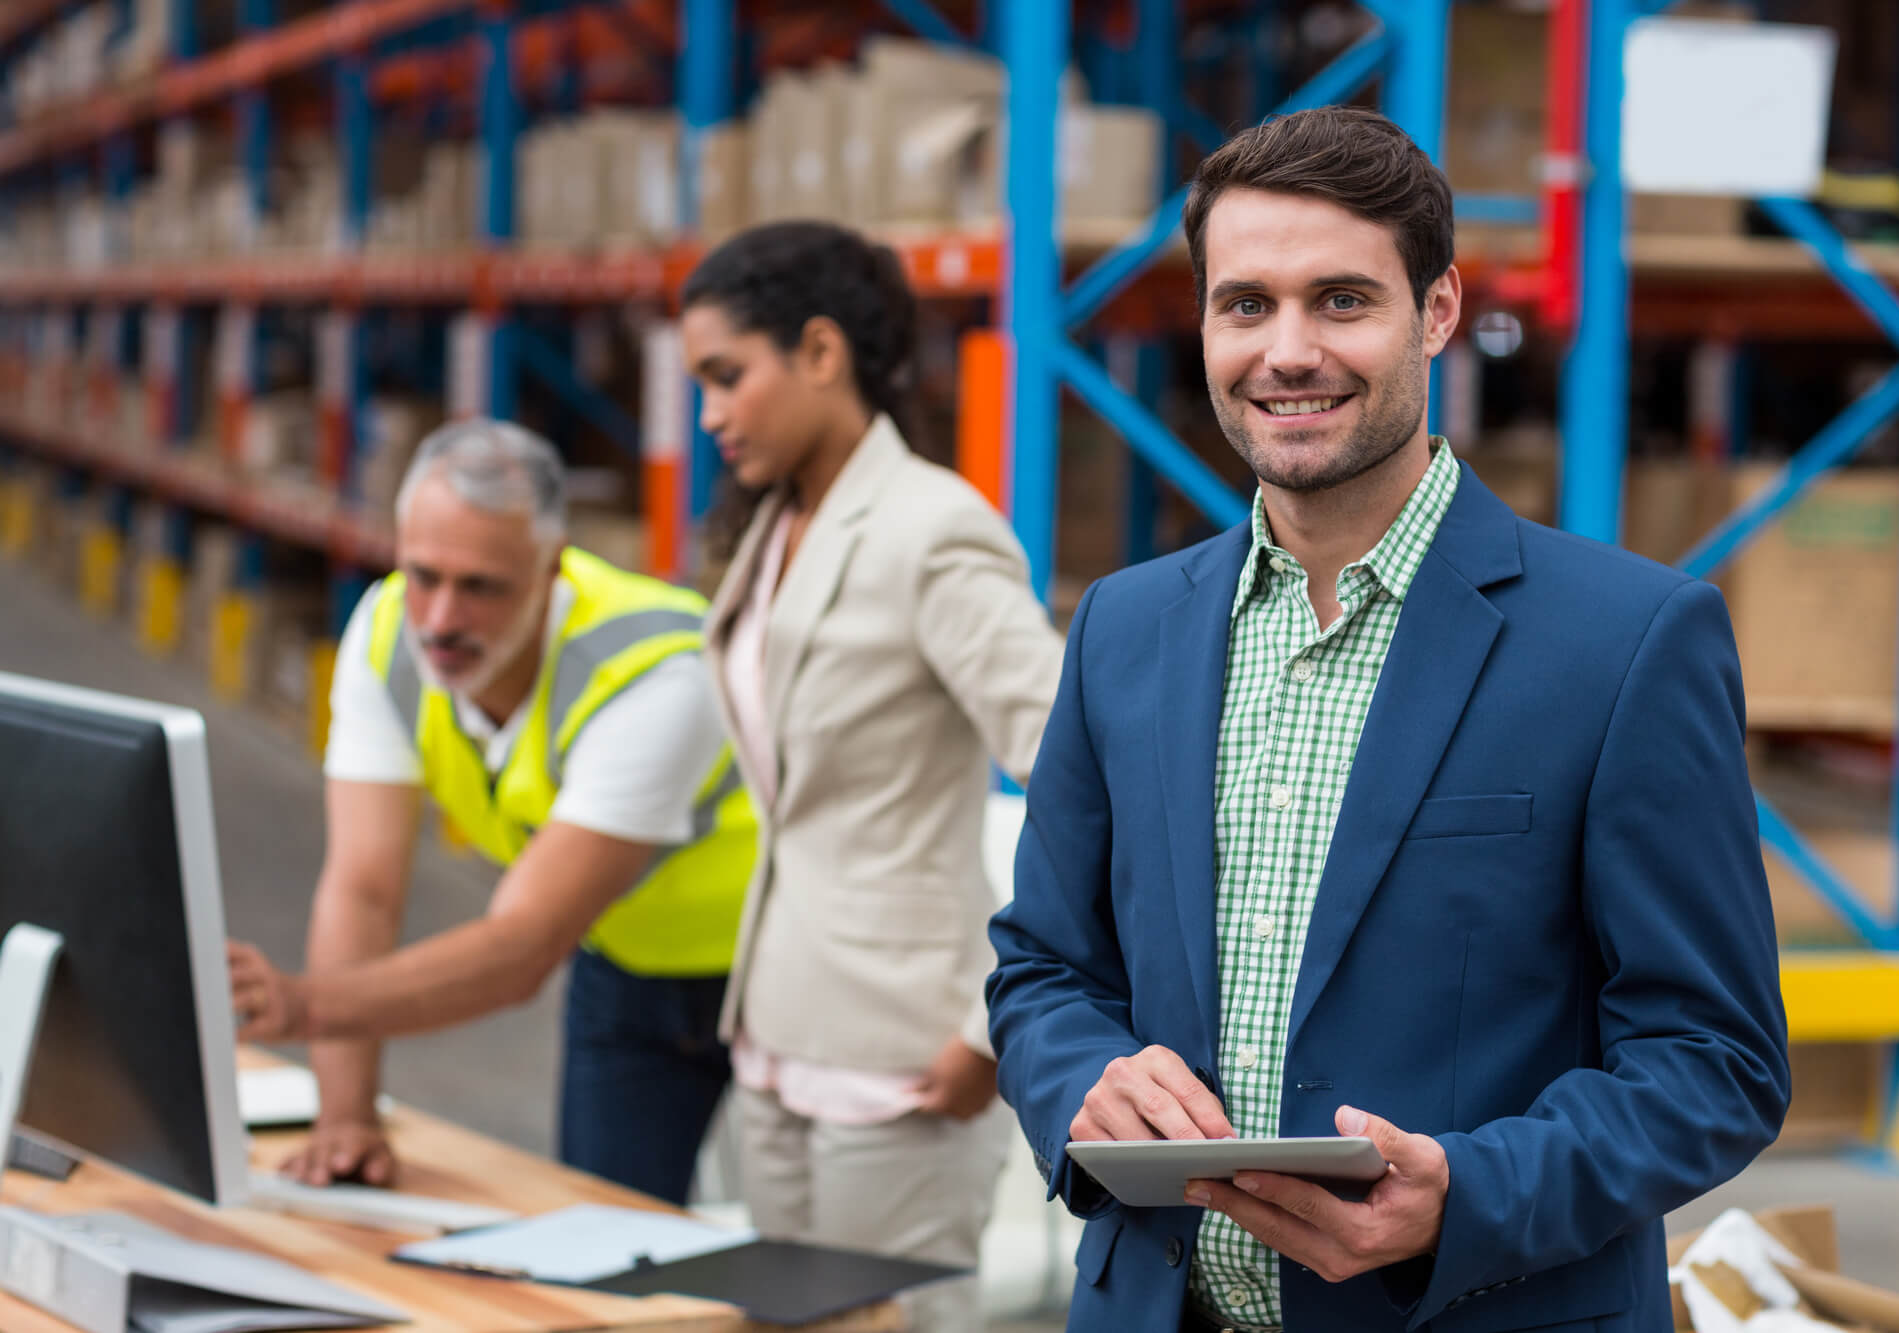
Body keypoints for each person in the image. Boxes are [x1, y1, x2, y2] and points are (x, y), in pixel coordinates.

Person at [986, 106, 1790, 1333]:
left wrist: (1465, 1193)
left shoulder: (1625, 640)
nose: (1287, 351)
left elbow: (1712, 1059)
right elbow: (1041, 966)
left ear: (1438, 312)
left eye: (1342, 301)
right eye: (1244, 304)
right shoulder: (1125, 629)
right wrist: (1083, 1080)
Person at [681, 220, 1065, 1333]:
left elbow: (1083, 780)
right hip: (776, 1038)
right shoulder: (778, 526)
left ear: (818, 351)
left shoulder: (930, 528)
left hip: (904, 1060)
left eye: (724, 376)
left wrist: (993, 1025)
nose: (707, 414)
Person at [227, 419, 756, 1207]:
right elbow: (361, 886)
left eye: (480, 587)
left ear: (551, 570)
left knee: (805, 1279)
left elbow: (521, 947)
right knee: (610, 1248)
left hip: (769, 977)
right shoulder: (387, 635)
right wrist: (343, 1116)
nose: (439, 619)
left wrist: (303, 1006)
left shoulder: (655, 670)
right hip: (628, 965)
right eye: (423, 574)